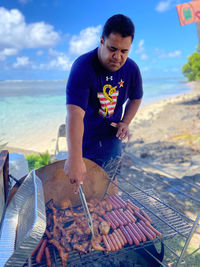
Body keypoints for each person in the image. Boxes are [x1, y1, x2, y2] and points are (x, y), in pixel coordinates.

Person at [64, 14, 143, 193]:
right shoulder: (83, 67)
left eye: (124, 51)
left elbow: (136, 97)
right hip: (84, 137)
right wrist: (74, 158)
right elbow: (74, 114)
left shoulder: (131, 69)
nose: (117, 57)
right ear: (102, 40)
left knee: (110, 185)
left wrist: (125, 121)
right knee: (81, 186)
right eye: (112, 48)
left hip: (111, 138)